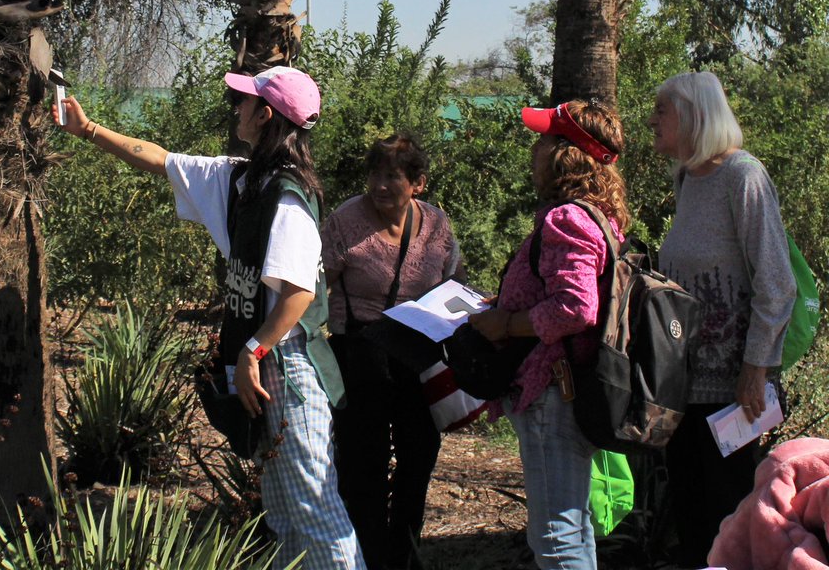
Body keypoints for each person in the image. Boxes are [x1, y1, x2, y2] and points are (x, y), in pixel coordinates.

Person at [53, 65, 366, 569]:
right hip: (266, 366)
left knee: (317, 513)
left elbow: (298, 295)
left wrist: (252, 351)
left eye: (245, 102)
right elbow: (160, 160)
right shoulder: (243, 179)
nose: (236, 108)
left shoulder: (286, 197)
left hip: (289, 367)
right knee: (287, 516)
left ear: (266, 116)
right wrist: (88, 130)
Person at [468, 100, 630, 570]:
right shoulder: (600, 217)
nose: (535, 148)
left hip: (550, 393)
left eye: (545, 139)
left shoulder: (567, 219)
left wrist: (507, 324)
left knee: (555, 537)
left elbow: (576, 307)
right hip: (567, 389)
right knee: (573, 525)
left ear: (565, 154)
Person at [648, 71, 796, 568]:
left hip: (733, 393)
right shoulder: (688, 177)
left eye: (661, 111)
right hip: (683, 386)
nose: (652, 121)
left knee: (727, 518)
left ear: (693, 115)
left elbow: (776, 283)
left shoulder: (743, 176)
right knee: (690, 514)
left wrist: (755, 369)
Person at [321, 134, 463, 570]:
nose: (380, 185)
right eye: (375, 174)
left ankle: (404, 553)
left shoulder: (437, 226)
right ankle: (368, 556)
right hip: (358, 354)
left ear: (417, 183)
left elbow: (451, 281)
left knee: (418, 458)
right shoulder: (345, 222)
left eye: (392, 176)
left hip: (416, 357)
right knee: (364, 465)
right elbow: (312, 284)